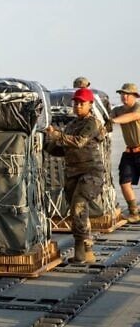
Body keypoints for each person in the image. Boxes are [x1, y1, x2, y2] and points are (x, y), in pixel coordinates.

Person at [45, 88, 106, 263]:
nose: (78, 106)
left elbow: (79, 142)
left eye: (82, 103)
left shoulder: (92, 123)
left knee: (79, 206)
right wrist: (46, 143)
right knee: (76, 212)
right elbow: (62, 150)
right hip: (73, 174)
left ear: (90, 105)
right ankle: (85, 249)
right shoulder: (71, 125)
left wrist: (56, 134)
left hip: (91, 173)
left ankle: (83, 251)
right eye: (76, 103)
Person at [110, 83, 140, 223]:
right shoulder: (118, 110)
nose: (124, 96)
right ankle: (134, 212)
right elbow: (106, 117)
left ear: (135, 96)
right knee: (124, 182)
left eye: (127, 94)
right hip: (129, 151)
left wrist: (113, 121)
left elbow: (132, 116)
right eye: (122, 94)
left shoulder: (137, 108)